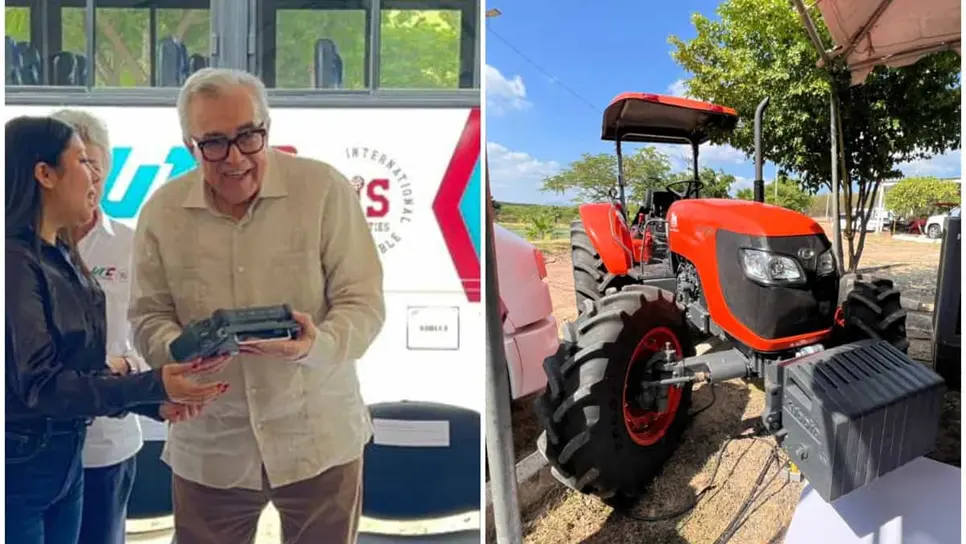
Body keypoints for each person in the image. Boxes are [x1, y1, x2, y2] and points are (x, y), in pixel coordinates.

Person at [128, 67, 385, 544]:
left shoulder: (324, 191)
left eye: (249, 137)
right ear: (190, 144)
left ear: (268, 127)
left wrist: (317, 343)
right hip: (211, 445)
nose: (235, 159)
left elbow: (363, 302)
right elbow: (147, 315)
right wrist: (179, 350)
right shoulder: (161, 213)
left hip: (318, 438)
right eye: (214, 144)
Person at [5, 115, 231, 544]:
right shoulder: (13, 262)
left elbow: (84, 366)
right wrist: (153, 383)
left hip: (66, 456)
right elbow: (42, 384)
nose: (96, 178)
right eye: (83, 163)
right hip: (21, 466)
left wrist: (154, 401)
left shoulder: (60, 255)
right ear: (44, 174)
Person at [50, 109, 151, 544]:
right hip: (30, 446)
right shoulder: (15, 247)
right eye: (76, 165)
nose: (87, 178)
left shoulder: (134, 246)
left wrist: (126, 365)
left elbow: (154, 332)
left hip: (105, 445)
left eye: (94, 165)